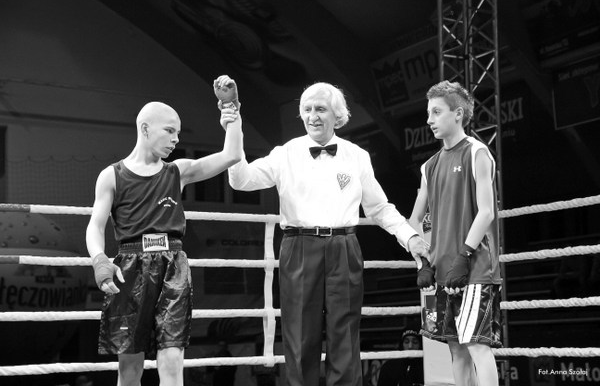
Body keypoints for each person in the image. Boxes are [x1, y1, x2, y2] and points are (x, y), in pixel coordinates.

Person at [226, 81, 429, 386]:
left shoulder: (357, 156)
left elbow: (378, 207)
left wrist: (410, 237)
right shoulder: (285, 153)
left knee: (345, 332)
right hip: (298, 245)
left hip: (343, 245)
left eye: (320, 109)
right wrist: (233, 129)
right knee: (299, 334)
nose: (313, 116)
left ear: (338, 115)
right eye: (307, 109)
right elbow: (241, 181)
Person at [85, 75, 243, 386]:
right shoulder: (112, 175)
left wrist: (232, 112)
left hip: (173, 266)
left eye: (178, 133)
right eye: (169, 131)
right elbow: (95, 224)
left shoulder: (177, 171)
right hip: (129, 267)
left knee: (172, 361)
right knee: (130, 368)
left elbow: (231, 156)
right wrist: (99, 259)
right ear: (145, 129)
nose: (175, 139)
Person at [408, 80, 503, 386]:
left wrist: (464, 255)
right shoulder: (429, 166)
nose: (429, 120)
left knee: (478, 346)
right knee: (456, 349)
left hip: (475, 268)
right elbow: (413, 221)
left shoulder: (477, 152)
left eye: (436, 112)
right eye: (428, 113)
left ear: (458, 114)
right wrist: (422, 262)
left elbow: (487, 211)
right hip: (441, 271)